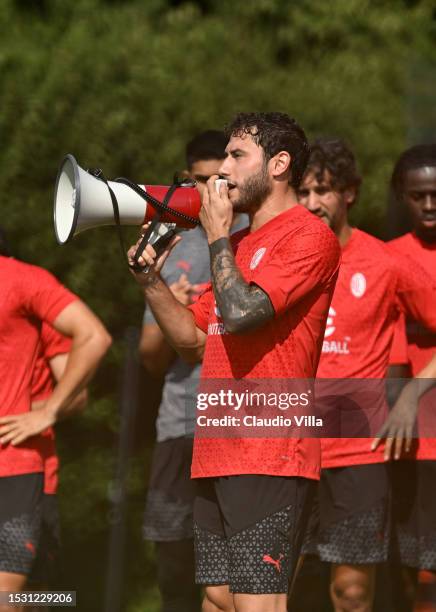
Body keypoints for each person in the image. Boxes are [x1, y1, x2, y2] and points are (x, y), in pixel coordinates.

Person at [129, 112, 341, 612]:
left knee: (256, 605)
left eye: (236, 156)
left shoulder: (307, 237)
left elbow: (243, 313)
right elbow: (191, 340)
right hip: (220, 449)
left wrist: (218, 235)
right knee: (219, 599)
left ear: (279, 164)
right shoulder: (241, 244)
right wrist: (150, 282)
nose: (222, 171)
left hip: (268, 451)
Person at [296, 139, 436, 612]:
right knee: (269, 591)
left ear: (349, 194)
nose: (312, 203)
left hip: (359, 453)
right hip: (288, 447)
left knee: (352, 594)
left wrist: (410, 398)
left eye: (324, 191)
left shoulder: (384, 262)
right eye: (303, 192)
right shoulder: (279, 263)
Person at [140, 130, 247, 612]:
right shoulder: (171, 244)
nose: (211, 192)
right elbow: (151, 356)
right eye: (201, 181)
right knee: (173, 569)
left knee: (230, 581)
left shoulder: (252, 240)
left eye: (220, 180)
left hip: (235, 425)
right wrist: (172, 309)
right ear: (186, 179)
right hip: (178, 426)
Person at [0, 241, 111, 607]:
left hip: (28, 469)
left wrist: (39, 412)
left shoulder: (33, 306)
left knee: (35, 597)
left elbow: (78, 396)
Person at [385, 144, 436, 610]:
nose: (429, 204)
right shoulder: (390, 259)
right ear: (403, 196)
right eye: (418, 195)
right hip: (416, 438)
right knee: (418, 570)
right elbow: (388, 348)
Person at [29, 322, 88, 594]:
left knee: (29, 593)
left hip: (29, 479)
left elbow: (77, 396)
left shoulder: (39, 314)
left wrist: (18, 411)